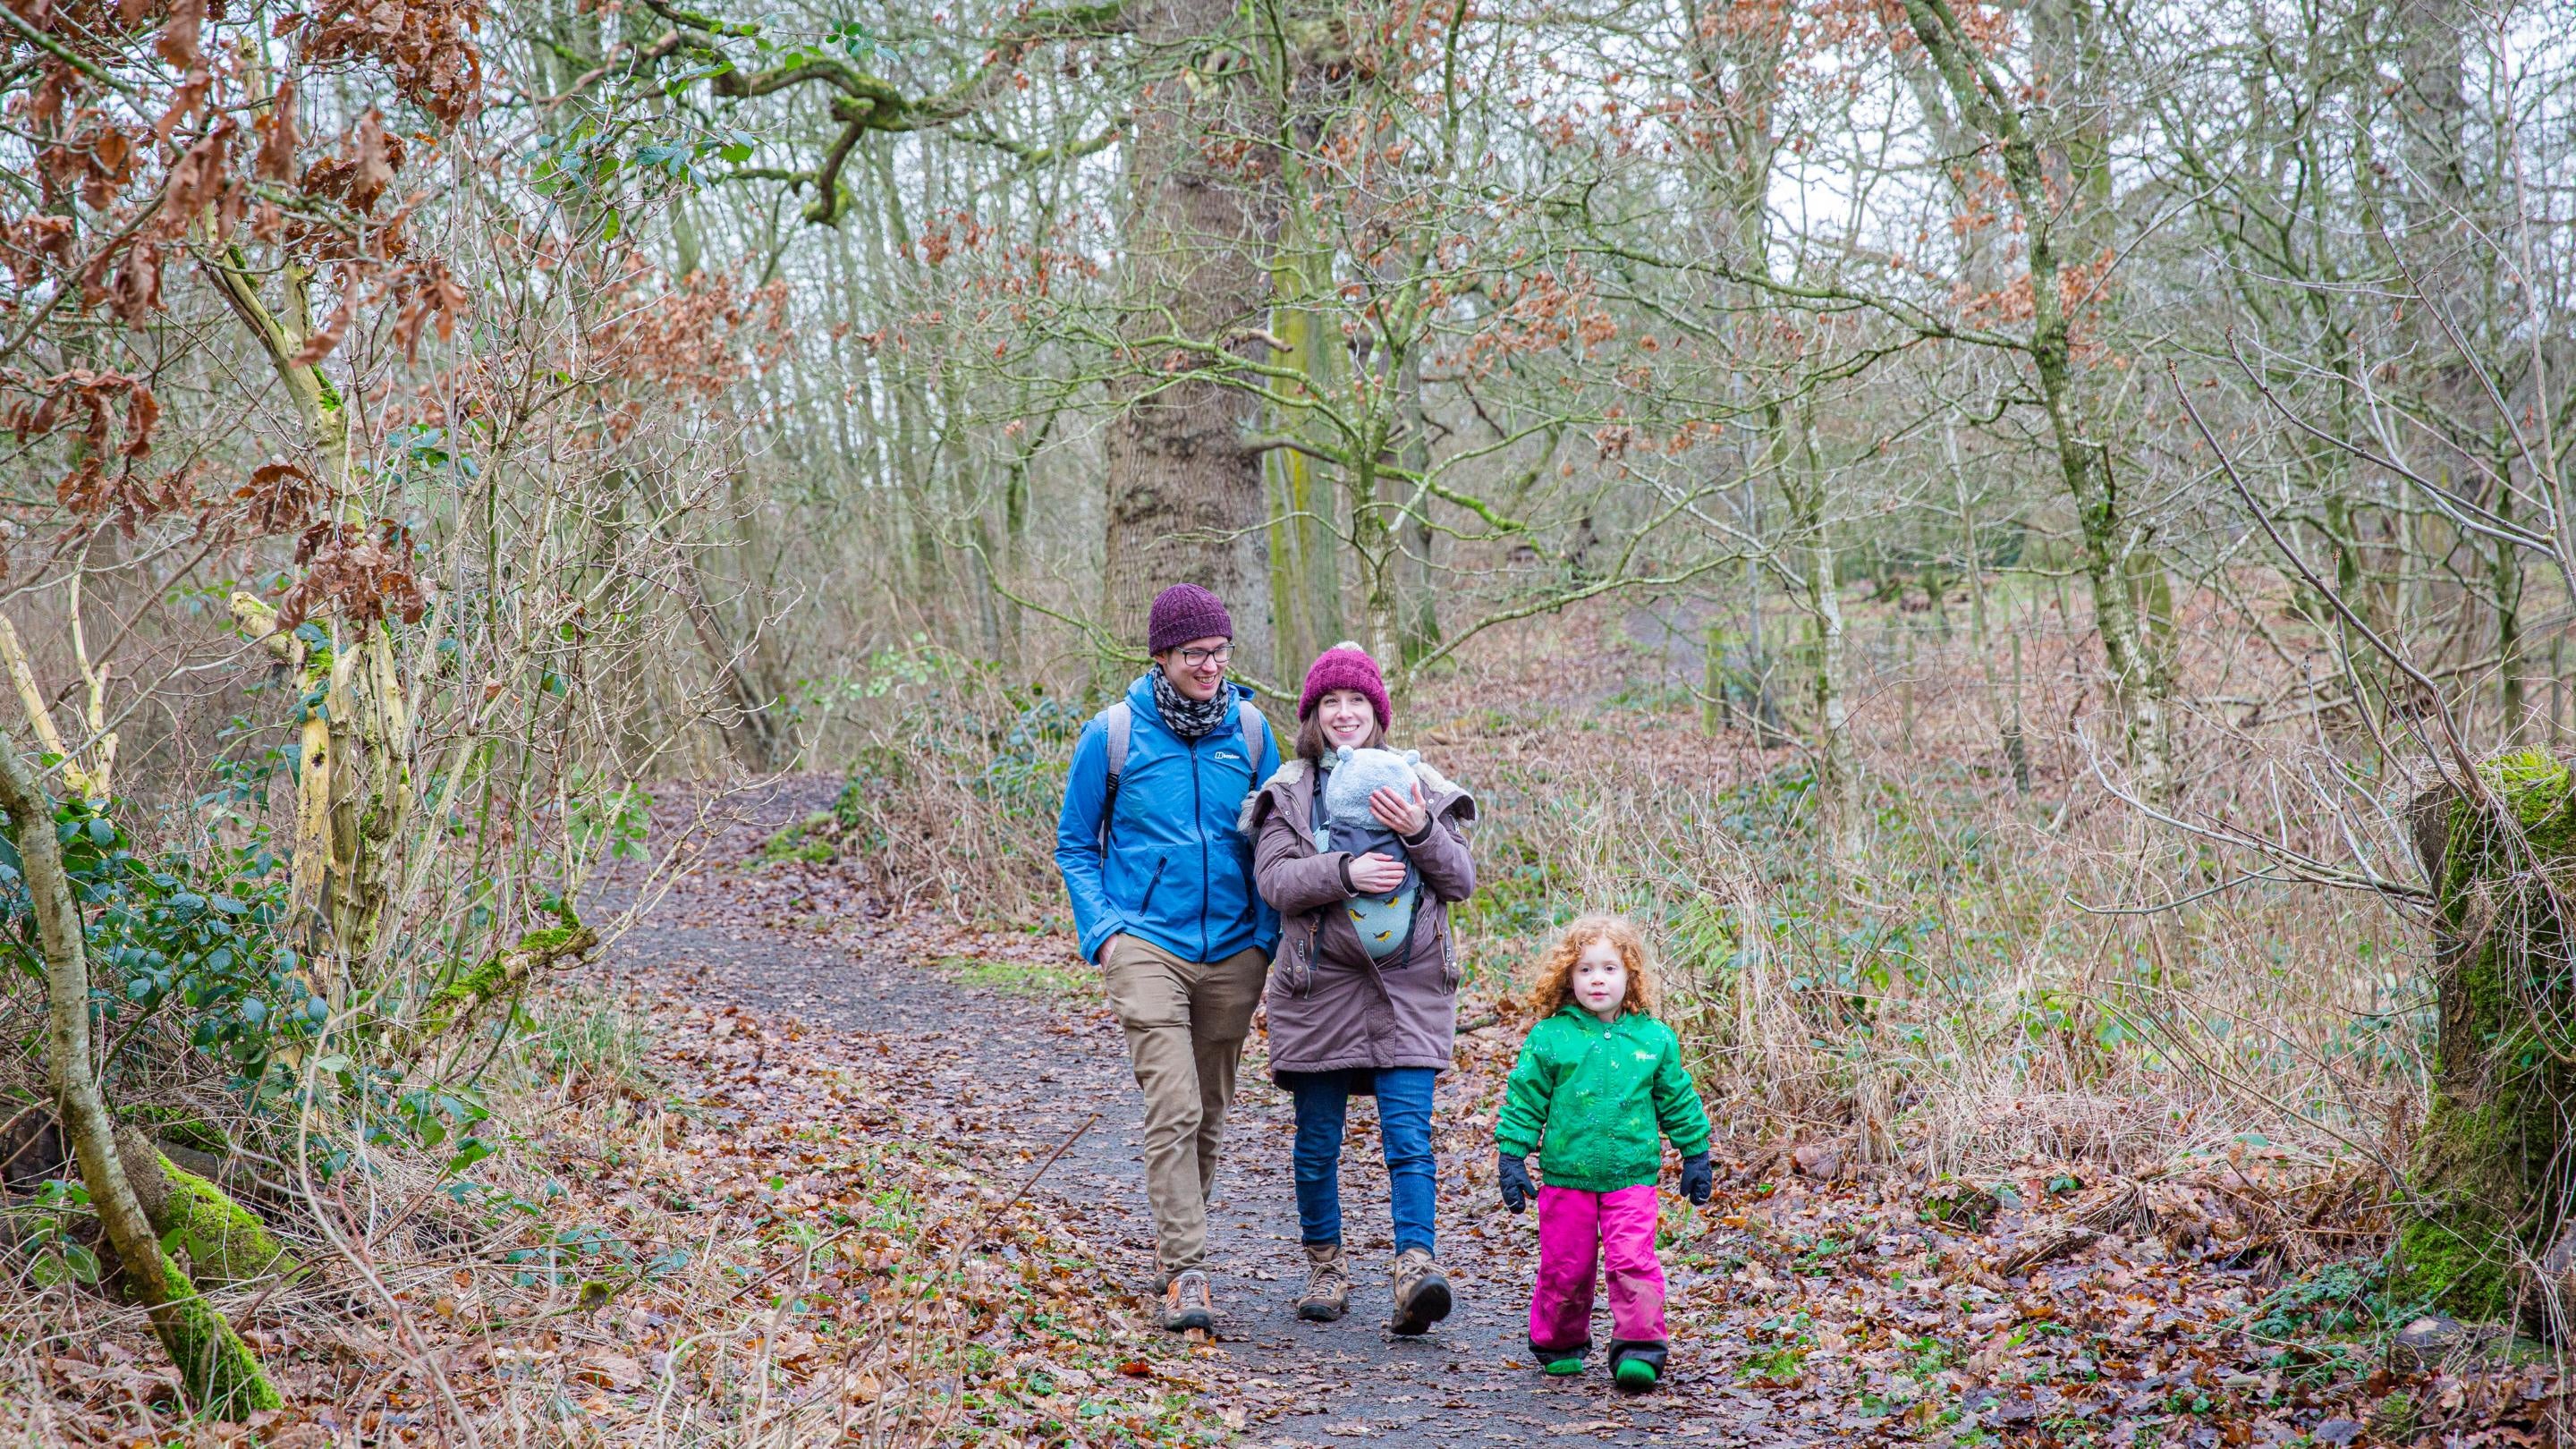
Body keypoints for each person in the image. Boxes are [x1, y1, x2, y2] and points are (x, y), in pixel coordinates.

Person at [1055, 584, 1281, 1333]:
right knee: (1175, 1104)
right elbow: (1075, 846)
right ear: (1161, 657)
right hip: (1146, 944)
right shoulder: (1112, 735)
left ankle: (1177, 1250)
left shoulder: (1249, 732)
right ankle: (1188, 1269)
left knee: (1210, 1111)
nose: (1211, 666)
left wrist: (1266, 937)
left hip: (1234, 952)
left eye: (1220, 652)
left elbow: (1283, 835)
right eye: (1195, 654)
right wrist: (1107, 934)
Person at [1243, 642, 1476, 1335]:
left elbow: (1460, 880)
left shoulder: (1416, 782)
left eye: (1358, 703)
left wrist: (1420, 830)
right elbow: (1275, 881)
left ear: (1378, 713)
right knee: (1317, 1144)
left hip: (1409, 991)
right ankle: (1326, 1265)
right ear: (1313, 715)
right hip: (1319, 991)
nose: (1345, 714)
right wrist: (1344, 871)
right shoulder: (1288, 791)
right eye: (1330, 703)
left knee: (1409, 1137)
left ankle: (1415, 1270)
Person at [1494, 914, 1714, 1390]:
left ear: (1630, 975)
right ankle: (1560, 1343)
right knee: (1566, 1265)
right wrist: (1512, 1156)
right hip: (1566, 1175)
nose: (1598, 979)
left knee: (1633, 1259)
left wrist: (1696, 1152)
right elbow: (1526, 1098)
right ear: (1568, 978)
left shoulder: (1653, 1038)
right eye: (1586, 969)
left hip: (1631, 1174)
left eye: (1610, 968)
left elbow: (1677, 1098)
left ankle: (1639, 1345)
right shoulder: (1551, 1038)